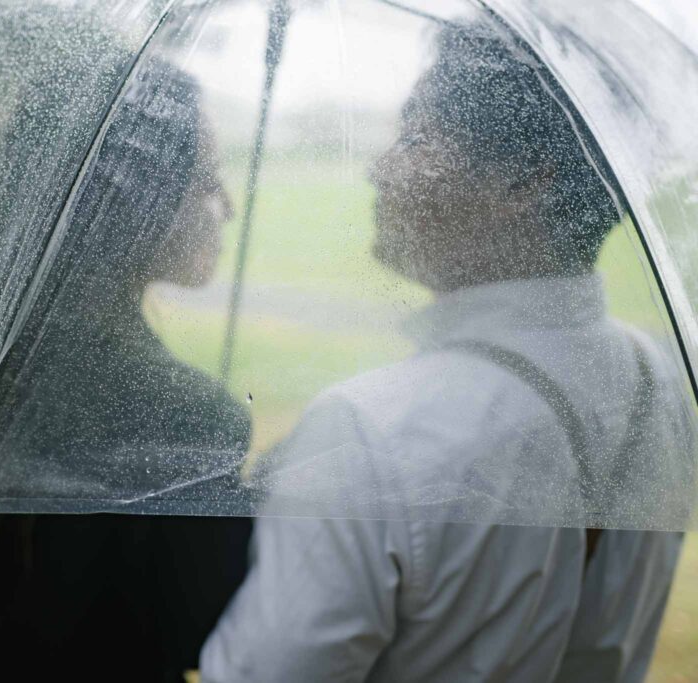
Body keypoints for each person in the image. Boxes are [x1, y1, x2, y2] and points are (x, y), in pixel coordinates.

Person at [200, 19, 695, 683]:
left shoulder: (367, 428)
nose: (378, 168)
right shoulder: (662, 380)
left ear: (526, 181)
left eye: (416, 138)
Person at [0, 58, 252, 682]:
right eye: (206, 181)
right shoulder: (188, 419)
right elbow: (191, 633)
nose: (228, 207)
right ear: (134, 199)